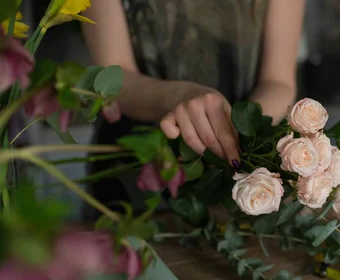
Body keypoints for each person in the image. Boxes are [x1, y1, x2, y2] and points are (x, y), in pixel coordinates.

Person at [81, 0, 305, 215]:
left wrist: (239, 135)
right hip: (135, 166)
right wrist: (180, 96)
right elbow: (112, 77)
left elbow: (278, 82)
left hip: (236, 177)